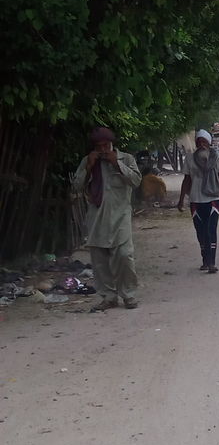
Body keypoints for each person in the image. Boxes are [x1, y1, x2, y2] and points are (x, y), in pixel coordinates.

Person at [71, 126, 142, 310]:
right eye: (99, 146)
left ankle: (129, 295)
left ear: (112, 144)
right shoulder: (88, 161)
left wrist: (117, 164)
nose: (103, 150)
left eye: (106, 145)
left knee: (125, 256)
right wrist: (88, 167)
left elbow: (136, 181)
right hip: (97, 216)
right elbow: (77, 186)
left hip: (120, 215)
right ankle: (109, 297)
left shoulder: (126, 158)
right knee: (99, 260)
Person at [178, 130, 219, 273]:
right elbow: (186, 179)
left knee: (211, 230)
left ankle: (212, 262)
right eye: (199, 142)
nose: (201, 145)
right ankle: (204, 260)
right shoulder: (190, 159)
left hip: (213, 199)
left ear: (209, 143)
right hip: (196, 200)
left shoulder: (216, 157)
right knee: (200, 231)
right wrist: (181, 200)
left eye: (204, 142)